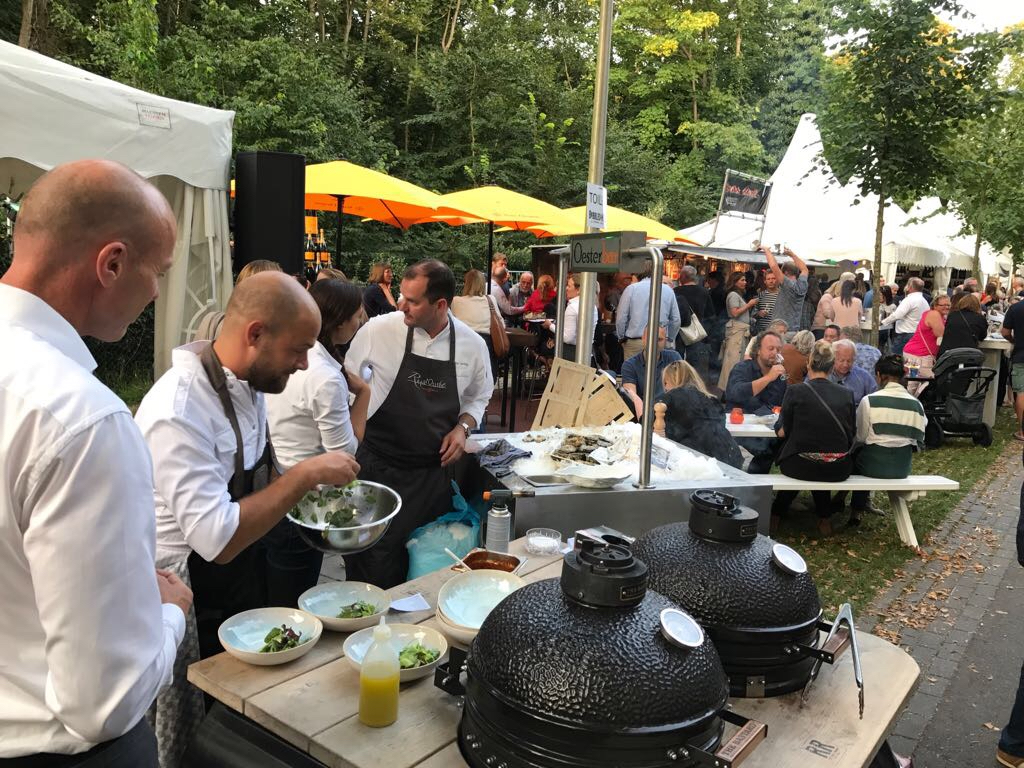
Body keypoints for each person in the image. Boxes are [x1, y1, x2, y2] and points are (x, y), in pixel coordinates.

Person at [0, 161, 192, 766]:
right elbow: (102, 701)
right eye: (158, 271)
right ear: (110, 263)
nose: (159, 292)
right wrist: (166, 612)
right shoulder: (84, 421)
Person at [344, 260, 492, 587]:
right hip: (378, 470)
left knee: (424, 568)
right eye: (401, 295)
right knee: (372, 565)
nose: (401, 305)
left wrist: (462, 427)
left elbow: (479, 396)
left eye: (412, 301)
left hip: (430, 479)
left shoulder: (472, 345)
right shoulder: (378, 331)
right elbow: (347, 382)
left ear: (440, 304)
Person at [266, 280, 370, 596]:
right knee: (292, 602)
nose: (362, 319)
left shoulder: (289, 356)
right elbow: (344, 457)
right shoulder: (326, 377)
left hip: (276, 486)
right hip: (303, 506)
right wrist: (363, 395)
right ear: (339, 321)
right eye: (358, 314)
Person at [771, 341, 856, 536]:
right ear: (832, 366)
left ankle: (776, 514)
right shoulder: (846, 394)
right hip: (837, 467)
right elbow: (851, 433)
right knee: (821, 456)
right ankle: (824, 518)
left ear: (809, 364)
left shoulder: (795, 391)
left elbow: (782, 432)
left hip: (799, 466)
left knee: (807, 457)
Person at [831, 355, 926, 524]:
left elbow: (860, 436)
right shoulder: (916, 404)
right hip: (902, 467)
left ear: (879, 375)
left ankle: (848, 504)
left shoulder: (870, 401)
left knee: (857, 455)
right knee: (863, 455)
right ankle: (855, 508)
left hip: (873, 465)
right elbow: (919, 437)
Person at [657, 361, 743, 469]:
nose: (665, 388)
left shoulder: (671, 397)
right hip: (730, 456)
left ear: (673, 380)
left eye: (665, 383)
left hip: (697, 461)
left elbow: (647, 422)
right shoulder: (713, 400)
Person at [725, 330, 788, 473]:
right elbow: (734, 393)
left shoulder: (780, 376)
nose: (775, 353)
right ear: (758, 350)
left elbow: (782, 404)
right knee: (765, 450)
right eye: (770, 348)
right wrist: (768, 378)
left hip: (767, 431)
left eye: (778, 349)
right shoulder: (742, 368)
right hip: (740, 431)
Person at [616, 264, 681, 360]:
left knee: (634, 373)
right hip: (659, 341)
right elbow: (676, 320)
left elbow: (621, 318)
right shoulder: (668, 290)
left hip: (635, 341)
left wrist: (621, 337)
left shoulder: (631, 289)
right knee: (659, 373)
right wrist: (669, 338)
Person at [621, 324, 682, 418]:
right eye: (650, 338)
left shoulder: (674, 357)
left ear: (665, 341)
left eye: (659, 339)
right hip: (644, 412)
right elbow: (632, 397)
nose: (654, 343)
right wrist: (644, 420)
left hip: (671, 411)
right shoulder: (630, 365)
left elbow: (683, 387)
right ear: (643, 339)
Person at [901, 294, 951, 394]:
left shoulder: (937, 315)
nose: (946, 307)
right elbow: (940, 333)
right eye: (943, 305)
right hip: (919, 356)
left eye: (948, 305)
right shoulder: (934, 314)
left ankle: (911, 403)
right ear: (935, 305)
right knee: (928, 378)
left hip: (913, 353)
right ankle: (913, 403)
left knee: (913, 382)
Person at [543, 273, 598, 362]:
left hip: (572, 354)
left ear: (579, 290)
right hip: (589, 353)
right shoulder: (592, 305)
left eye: (569, 286)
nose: (566, 288)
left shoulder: (572, 307)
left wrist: (550, 326)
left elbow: (568, 338)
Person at [718, 271, 758, 390]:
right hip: (736, 332)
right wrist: (749, 304)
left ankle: (730, 388)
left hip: (740, 331)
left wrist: (752, 318)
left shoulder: (737, 295)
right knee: (732, 361)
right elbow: (735, 312)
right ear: (735, 282)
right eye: (742, 280)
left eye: (745, 280)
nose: (745, 282)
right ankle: (727, 389)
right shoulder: (733, 295)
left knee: (737, 360)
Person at [674, 265, 712, 379]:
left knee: (678, 359)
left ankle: (679, 380)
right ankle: (694, 382)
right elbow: (710, 314)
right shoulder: (704, 292)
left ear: (683, 276)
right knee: (695, 362)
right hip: (697, 332)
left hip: (679, 331)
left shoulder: (675, 291)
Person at [763, 246, 809, 336]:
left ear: (786, 273)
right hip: (794, 330)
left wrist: (766, 250)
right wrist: (792, 255)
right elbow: (804, 269)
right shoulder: (803, 284)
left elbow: (773, 266)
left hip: (781, 331)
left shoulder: (788, 284)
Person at [881, 276, 929, 355]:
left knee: (895, 357)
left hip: (905, 334)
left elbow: (897, 315)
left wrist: (883, 322)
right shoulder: (924, 301)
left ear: (909, 287)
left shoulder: (909, 299)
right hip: (917, 333)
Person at [1001, 296, 1024, 442]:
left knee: (1021, 392)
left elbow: (1004, 332)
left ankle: (1022, 431)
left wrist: (1013, 340)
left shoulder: (1015, 308)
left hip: (1021, 354)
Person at [938, 293, 987, 358]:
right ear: (977, 305)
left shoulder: (952, 315)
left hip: (948, 354)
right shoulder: (980, 318)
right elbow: (982, 337)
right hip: (968, 354)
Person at [829, 339, 877, 406]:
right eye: (841, 360)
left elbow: (874, 400)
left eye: (849, 361)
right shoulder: (825, 374)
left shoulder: (864, 377)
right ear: (833, 358)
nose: (845, 365)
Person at [451, 269, 499, 334]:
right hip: (485, 341)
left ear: (466, 284)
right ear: (483, 284)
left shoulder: (455, 301)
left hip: (462, 340)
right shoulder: (491, 299)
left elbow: (451, 323)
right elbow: (501, 324)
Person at [753, 268, 779, 334]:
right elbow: (752, 313)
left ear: (778, 279)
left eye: (773, 278)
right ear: (765, 281)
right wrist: (758, 313)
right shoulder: (760, 295)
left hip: (777, 332)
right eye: (768, 279)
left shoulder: (783, 295)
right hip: (762, 332)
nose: (771, 281)